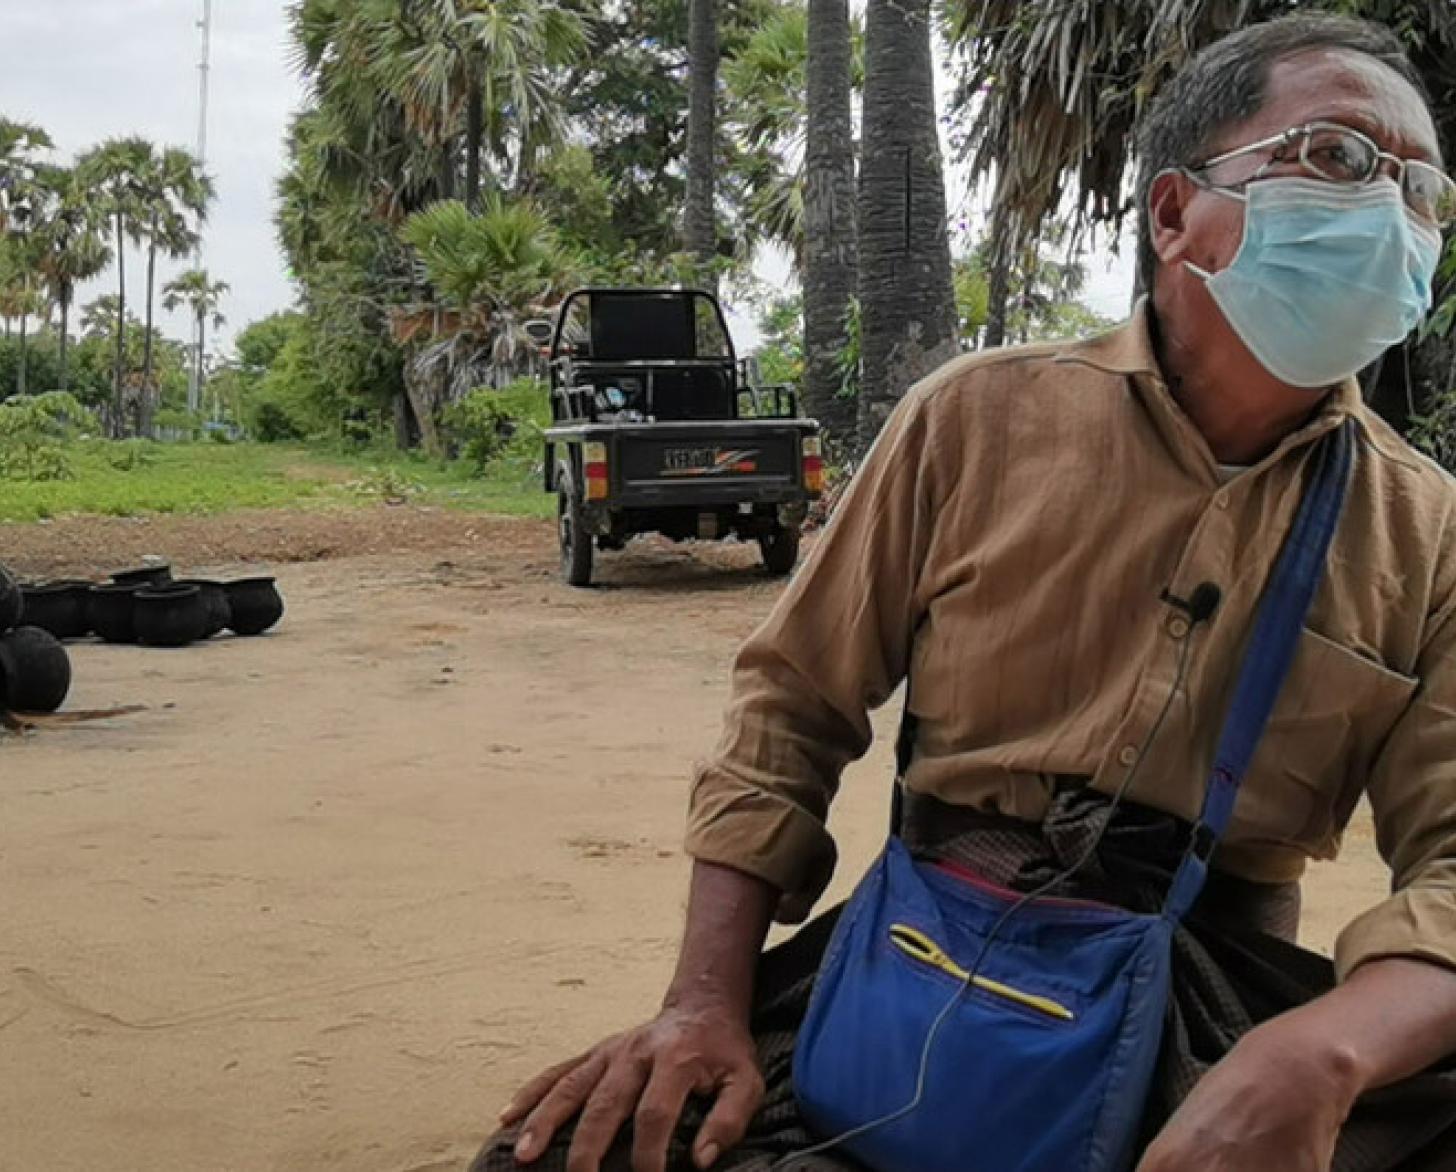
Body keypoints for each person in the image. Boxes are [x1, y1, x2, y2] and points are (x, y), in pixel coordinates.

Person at [477, 14, 1456, 1172]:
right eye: (1337, 159)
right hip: (931, 957)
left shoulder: (1428, 529)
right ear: (1173, 212)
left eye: (1424, 192)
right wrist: (701, 1002)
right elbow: (790, 708)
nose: (1388, 216)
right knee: (565, 1152)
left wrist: (1319, 1054)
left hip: (1212, 999)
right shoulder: (973, 418)